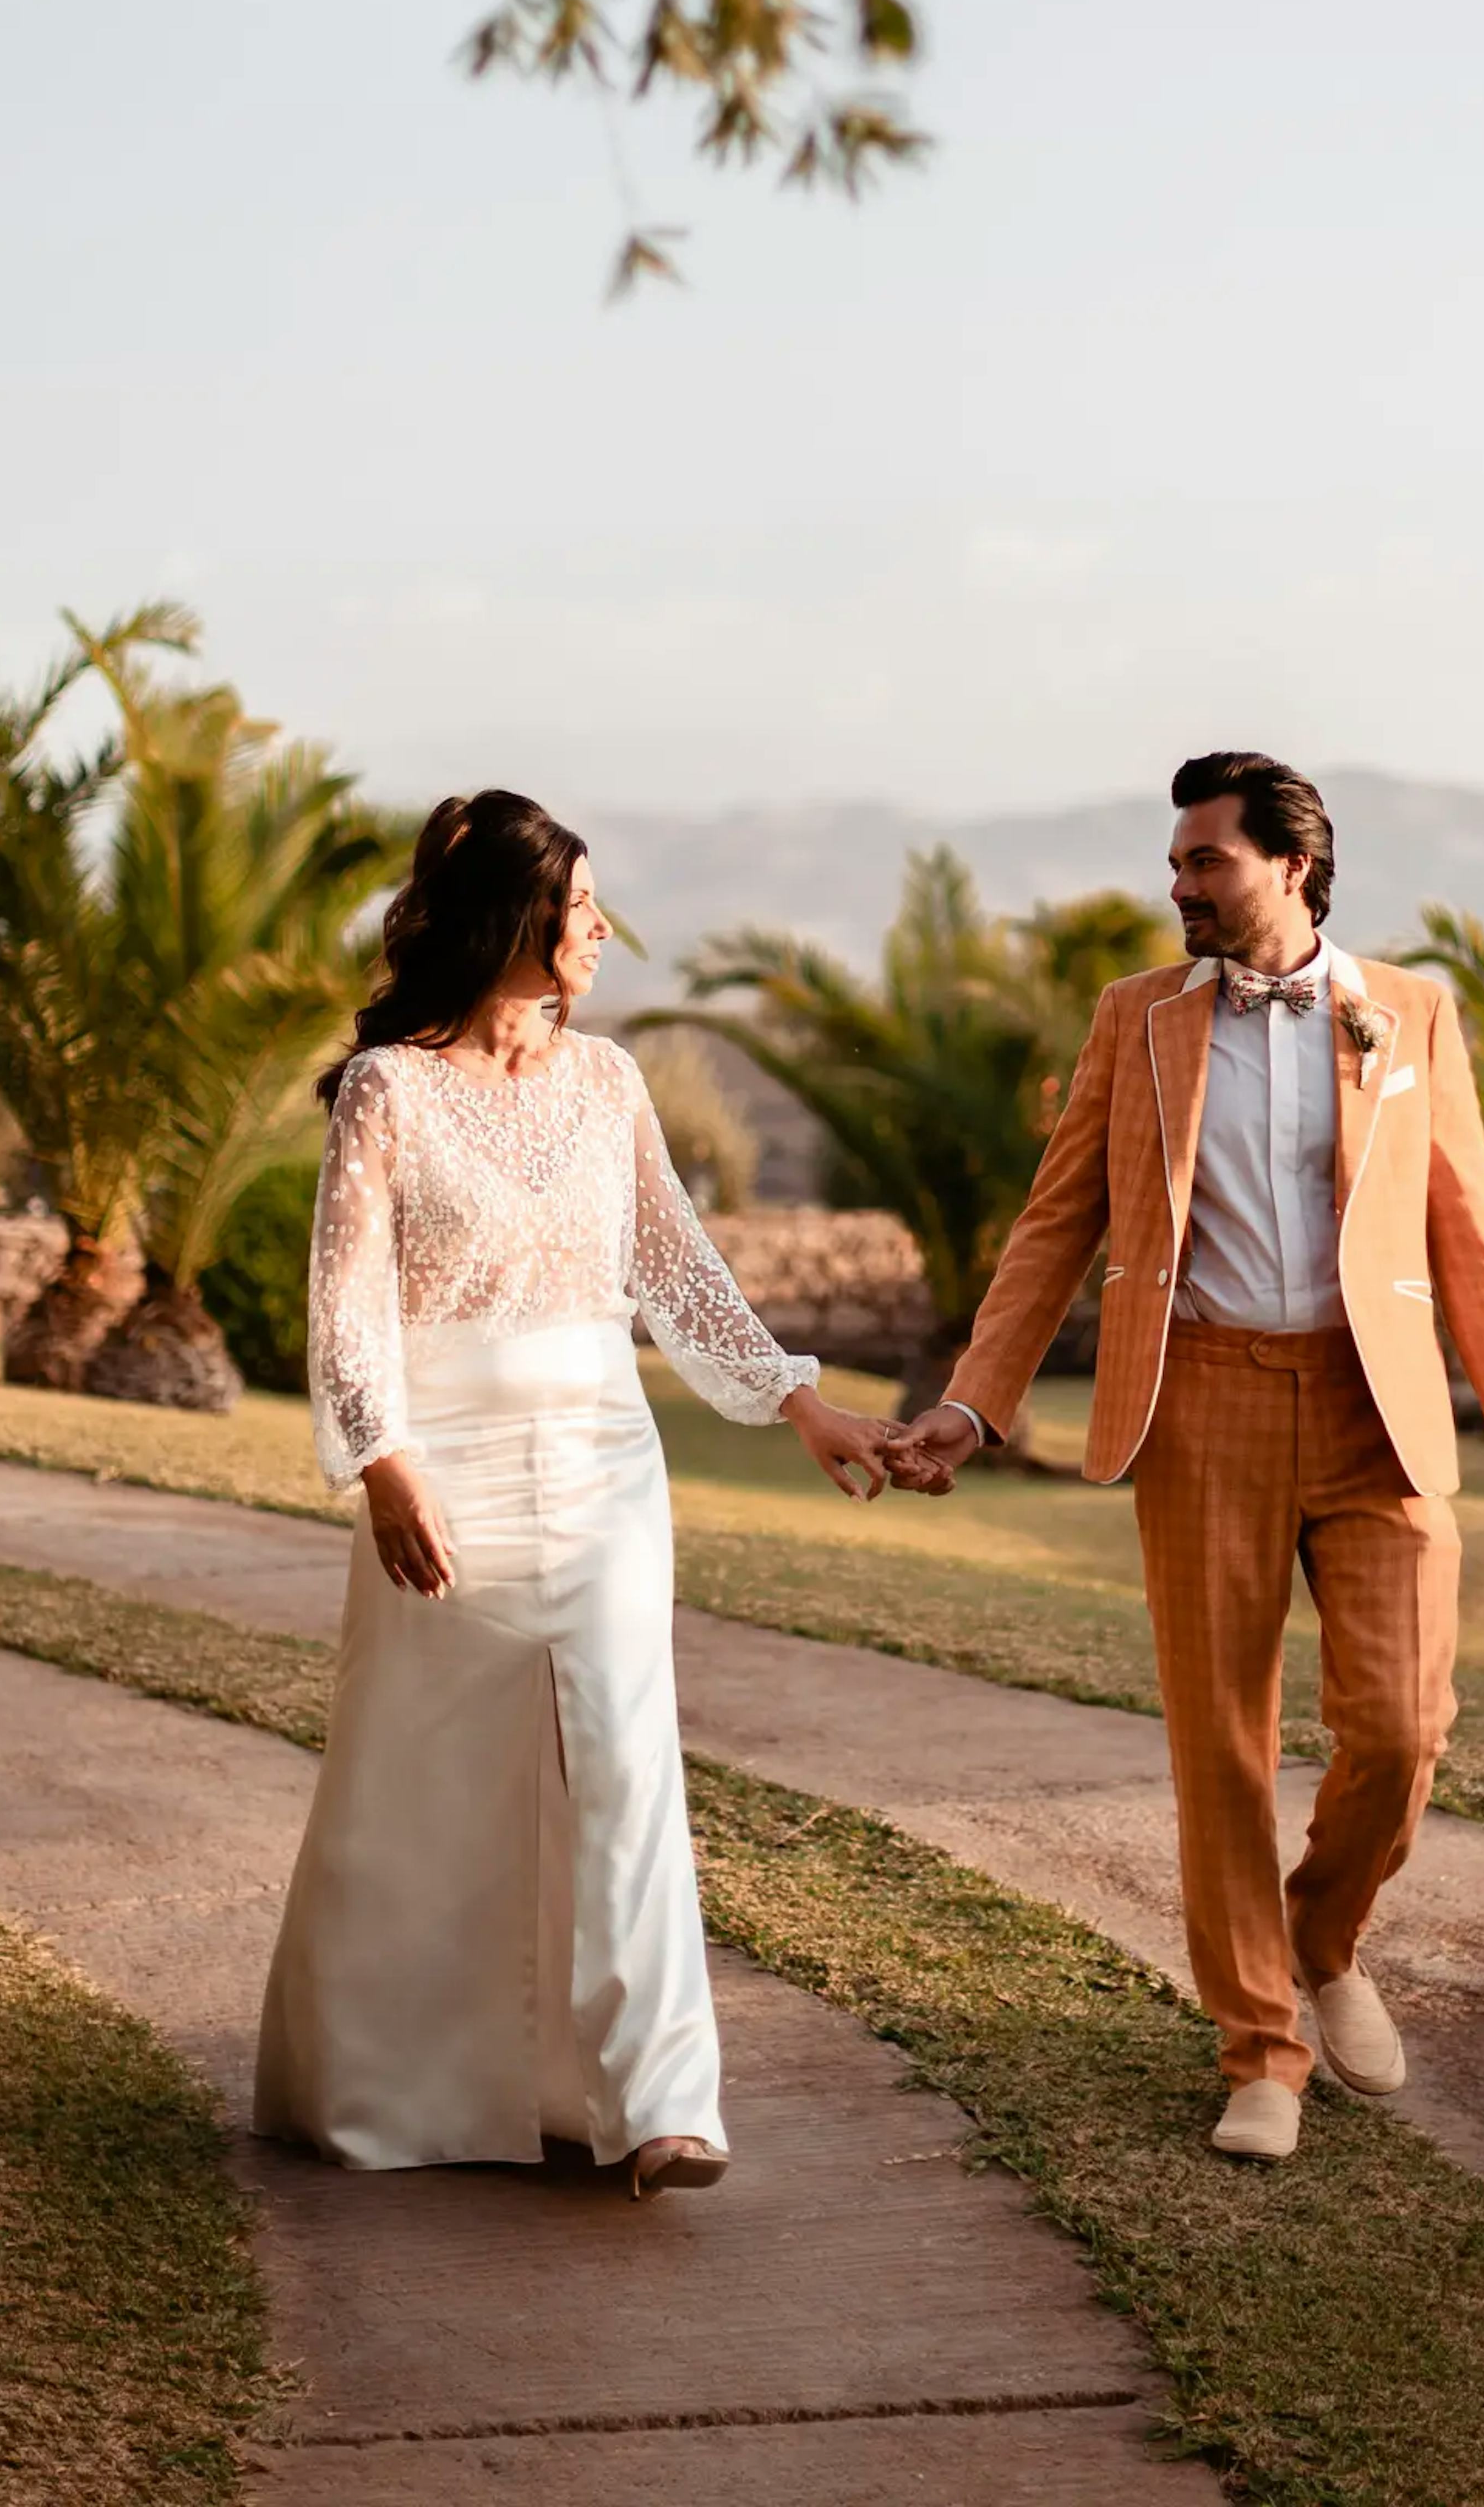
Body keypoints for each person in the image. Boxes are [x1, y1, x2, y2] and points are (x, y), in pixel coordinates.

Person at [887, 751, 1484, 2165]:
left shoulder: (1413, 1017)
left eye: (1207, 862)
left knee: (1403, 1727)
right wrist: (975, 1402)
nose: (1180, 886)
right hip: (1199, 1404)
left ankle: (1325, 1937)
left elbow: (1472, 1244)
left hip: (1373, 1406)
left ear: (1293, 867)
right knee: (1225, 1748)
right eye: (1178, 861)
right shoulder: (1137, 1020)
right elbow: (1053, 1224)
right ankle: (1261, 2047)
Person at [254, 791, 900, 2196]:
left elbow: (678, 1269)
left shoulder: (607, 1083)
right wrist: (383, 1464)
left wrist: (799, 1401)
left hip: (606, 1453)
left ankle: (659, 2100)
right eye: (578, 909)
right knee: (423, 1766)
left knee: (622, 1754)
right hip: (445, 1454)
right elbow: (347, 1302)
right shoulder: (388, 1089)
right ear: (509, 919)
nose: (602, 933)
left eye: (601, 908)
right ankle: (391, 2082)